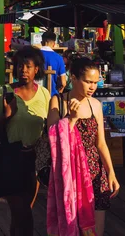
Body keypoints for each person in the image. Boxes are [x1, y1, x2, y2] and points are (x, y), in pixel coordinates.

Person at [48, 57, 119, 236]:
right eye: (88, 81)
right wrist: (71, 119)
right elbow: (54, 138)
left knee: (95, 227)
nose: (92, 87)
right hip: (69, 173)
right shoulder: (58, 102)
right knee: (71, 220)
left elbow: (100, 142)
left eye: (95, 82)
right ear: (73, 78)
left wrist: (110, 171)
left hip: (95, 170)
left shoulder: (95, 104)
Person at [0, 46, 50, 236]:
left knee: (21, 214)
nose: (23, 70)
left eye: (28, 67)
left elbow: (49, 127)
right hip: (10, 160)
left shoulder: (45, 95)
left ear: (36, 69)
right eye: (20, 66)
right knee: (23, 213)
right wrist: (6, 116)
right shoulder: (4, 92)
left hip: (34, 162)